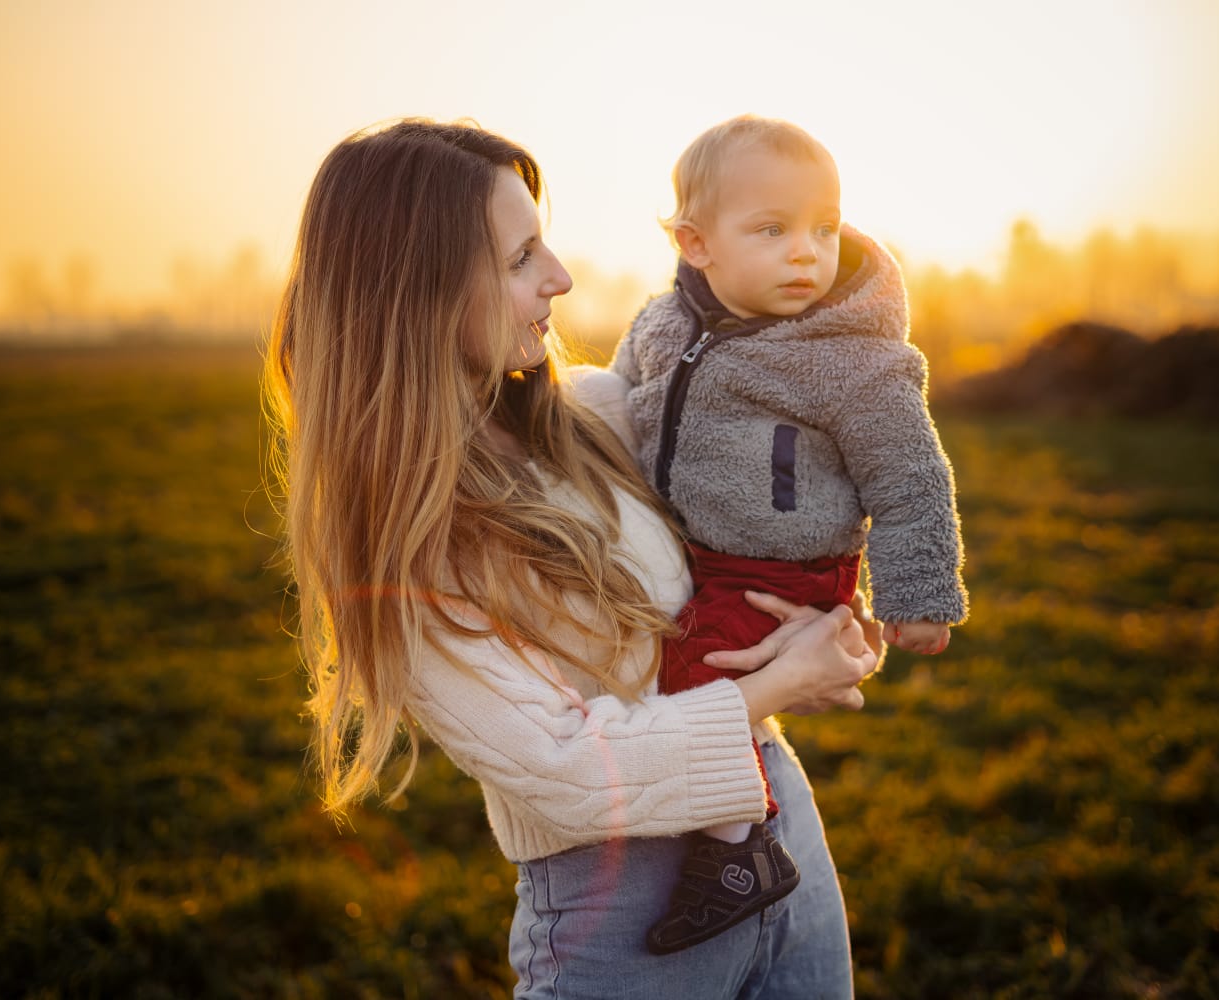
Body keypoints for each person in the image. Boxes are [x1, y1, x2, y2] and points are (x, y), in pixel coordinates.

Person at [261, 118, 880, 998]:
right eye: (520, 259)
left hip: (781, 832)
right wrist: (775, 688)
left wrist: (830, 624)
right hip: (619, 917)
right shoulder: (402, 540)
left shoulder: (603, 414)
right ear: (418, 293)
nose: (560, 276)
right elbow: (569, 773)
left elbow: (779, 513)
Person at [611, 115, 969, 953]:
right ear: (697, 243)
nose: (806, 251)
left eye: (823, 227)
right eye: (771, 231)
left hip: (786, 568)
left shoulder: (851, 358)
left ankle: (736, 855)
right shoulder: (664, 325)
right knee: (665, 661)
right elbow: (616, 395)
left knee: (702, 678)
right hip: (698, 548)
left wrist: (919, 597)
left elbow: (912, 479)